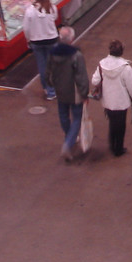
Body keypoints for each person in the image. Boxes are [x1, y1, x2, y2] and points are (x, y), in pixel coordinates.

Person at [91, 39, 132, 157]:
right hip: (121, 102)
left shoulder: (101, 64)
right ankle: (118, 149)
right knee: (121, 125)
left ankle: (112, 144)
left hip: (107, 101)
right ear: (121, 51)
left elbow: (95, 80)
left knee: (112, 123)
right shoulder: (126, 68)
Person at [45, 26, 90, 162]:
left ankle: (69, 136)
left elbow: (48, 71)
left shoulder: (52, 53)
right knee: (77, 117)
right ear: (72, 39)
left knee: (63, 115)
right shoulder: (76, 56)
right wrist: (84, 93)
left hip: (60, 90)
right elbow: (81, 76)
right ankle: (68, 144)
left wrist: (51, 84)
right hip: (74, 91)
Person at [23, 0, 59, 101]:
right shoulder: (52, 8)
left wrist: (28, 40)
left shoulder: (29, 11)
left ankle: (48, 90)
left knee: (42, 67)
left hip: (36, 41)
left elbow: (26, 28)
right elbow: (55, 18)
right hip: (52, 40)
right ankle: (55, 88)